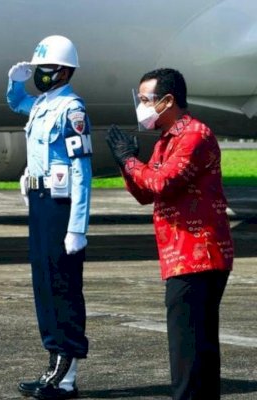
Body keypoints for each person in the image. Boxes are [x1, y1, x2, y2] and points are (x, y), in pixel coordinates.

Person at [106, 68, 233, 400]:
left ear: (167, 100)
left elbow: (162, 182)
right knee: (197, 351)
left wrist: (130, 160)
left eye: (146, 99)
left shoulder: (193, 136)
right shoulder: (168, 139)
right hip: (184, 258)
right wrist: (126, 165)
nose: (142, 106)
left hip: (197, 257)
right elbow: (147, 194)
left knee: (187, 354)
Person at [6, 35, 92, 400]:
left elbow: (82, 173)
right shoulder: (42, 104)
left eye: (44, 69)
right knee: (43, 280)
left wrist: (77, 227)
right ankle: (54, 361)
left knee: (62, 284)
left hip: (61, 205)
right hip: (39, 199)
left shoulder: (72, 111)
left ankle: (66, 370)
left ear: (64, 71)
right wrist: (15, 80)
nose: (39, 74)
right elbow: (16, 103)